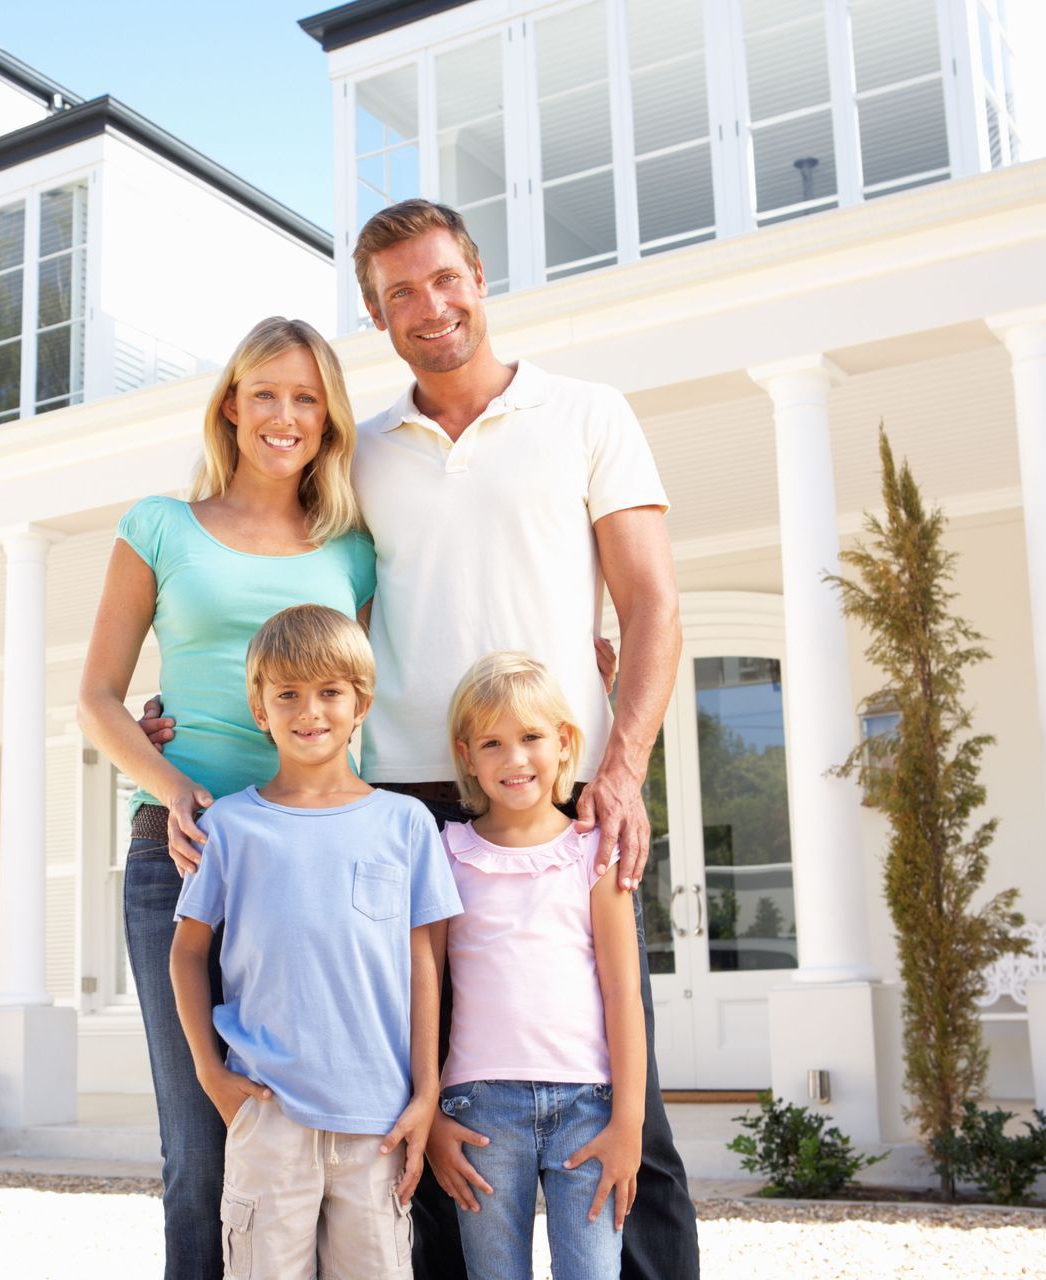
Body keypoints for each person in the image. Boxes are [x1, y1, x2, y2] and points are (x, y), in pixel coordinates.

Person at [145, 199, 698, 1280]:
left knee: (625, 1091)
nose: (428, 305)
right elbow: (272, 567)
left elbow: (654, 605)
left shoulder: (589, 413)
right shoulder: (364, 456)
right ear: (374, 312)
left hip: (559, 785)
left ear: (479, 277)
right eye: (399, 291)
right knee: (435, 1098)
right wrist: (185, 715)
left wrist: (622, 768)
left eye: (443, 278)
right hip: (408, 801)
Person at [78, 317, 377, 1280]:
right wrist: (174, 788)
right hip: (186, 856)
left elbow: (362, 698)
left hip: (312, 856)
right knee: (200, 1147)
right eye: (265, 394)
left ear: (327, 419)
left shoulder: (355, 551)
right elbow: (96, 697)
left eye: (305, 397)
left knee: (320, 1132)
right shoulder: (160, 525)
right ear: (231, 407)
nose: (284, 415)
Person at [169, 605, 462, 1278]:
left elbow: (425, 966)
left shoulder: (407, 824)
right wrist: (210, 1072)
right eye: (289, 694)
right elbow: (187, 952)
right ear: (259, 706)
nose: (311, 711)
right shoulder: (232, 827)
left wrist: (426, 1093)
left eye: (330, 692)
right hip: (268, 1117)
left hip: (379, 1122)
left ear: (361, 702)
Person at [434, 652, 645, 1279]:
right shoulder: (445, 855)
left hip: (590, 1107)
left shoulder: (594, 852)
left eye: (531, 738)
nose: (515, 758)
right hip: (478, 1111)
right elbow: (423, 991)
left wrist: (628, 1123)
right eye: (493, 743)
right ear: (468, 757)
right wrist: (434, 1112)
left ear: (564, 744)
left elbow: (622, 993)